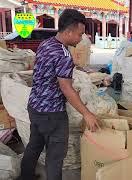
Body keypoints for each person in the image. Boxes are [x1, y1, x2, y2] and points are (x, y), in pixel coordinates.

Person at [20, 9, 100, 180]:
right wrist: (87, 114)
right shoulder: (64, 55)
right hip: (53, 114)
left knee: (34, 145)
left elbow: (39, 70)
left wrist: (63, 88)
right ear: (69, 31)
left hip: (34, 107)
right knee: (55, 157)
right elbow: (66, 87)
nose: (81, 39)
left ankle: (25, 176)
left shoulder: (45, 44)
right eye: (80, 34)